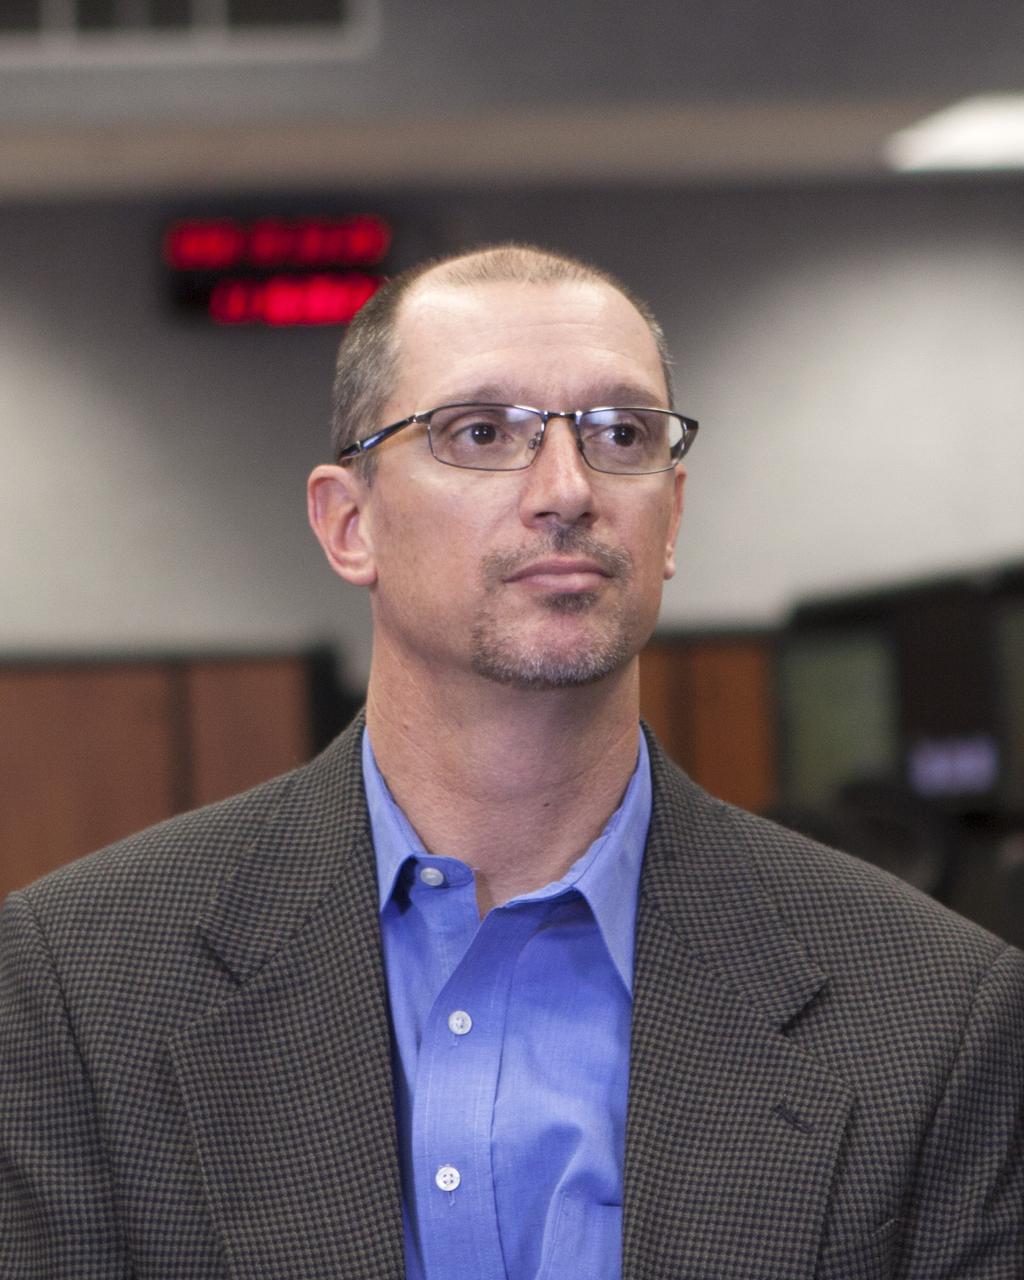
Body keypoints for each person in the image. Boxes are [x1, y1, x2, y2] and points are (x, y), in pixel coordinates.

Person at [1, 243, 1021, 1280]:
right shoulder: (77, 985)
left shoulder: (936, 1010)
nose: (567, 489)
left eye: (620, 433)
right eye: (480, 432)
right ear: (349, 523)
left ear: (672, 517)